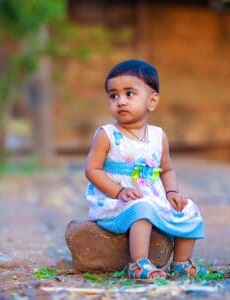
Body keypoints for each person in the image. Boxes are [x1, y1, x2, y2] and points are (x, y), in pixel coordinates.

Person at [84, 59, 204, 280]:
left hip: (152, 197)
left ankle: (181, 262)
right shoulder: (107, 134)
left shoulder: (158, 136)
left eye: (129, 94)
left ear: (152, 101)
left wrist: (172, 193)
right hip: (116, 202)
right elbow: (92, 170)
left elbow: (167, 170)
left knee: (188, 208)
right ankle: (138, 263)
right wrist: (118, 191)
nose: (120, 101)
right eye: (113, 95)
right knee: (143, 207)